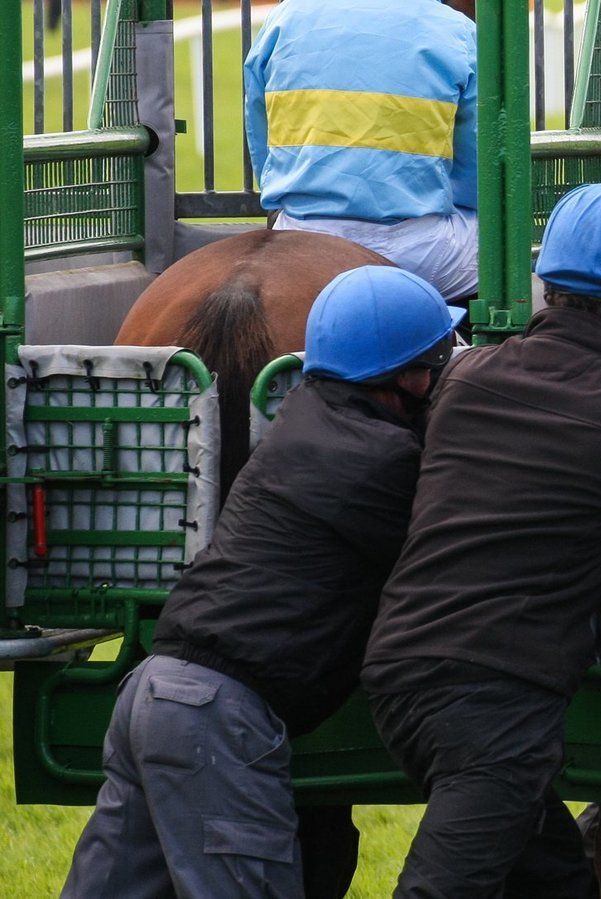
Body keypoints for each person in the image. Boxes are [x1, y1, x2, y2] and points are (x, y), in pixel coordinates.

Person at [361, 182, 601, 899]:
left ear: (548, 279)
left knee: (559, 881)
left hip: (400, 670)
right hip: (494, 701)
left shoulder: (467, 377)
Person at [59, 266, 461, 899]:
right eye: (437, 363)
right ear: (406, 378)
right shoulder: (384, 462)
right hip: (217, 719)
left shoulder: (301, 423)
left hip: (151, 692)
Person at [244, 0, 479, 301]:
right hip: (419, 248)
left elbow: (261, 135)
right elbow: (474, 173)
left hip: (299, 236)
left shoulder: (285, 15)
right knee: (502, 249)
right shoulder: (455, 30)